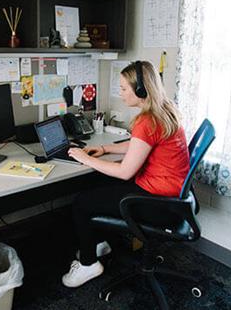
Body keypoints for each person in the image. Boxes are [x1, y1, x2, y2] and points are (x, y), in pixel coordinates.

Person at [62, 60, 190, 288]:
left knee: (82, 202)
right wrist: (104, 149)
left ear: (140, 90)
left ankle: (89, 263)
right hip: (172, 198)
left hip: (157, 203)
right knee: (98, 181)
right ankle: (99, 242)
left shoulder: (147, 120)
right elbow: (139, 144)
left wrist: (86, 158)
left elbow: (125, 172)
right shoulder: (165, 110)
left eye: (123, 89)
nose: (120, 94)